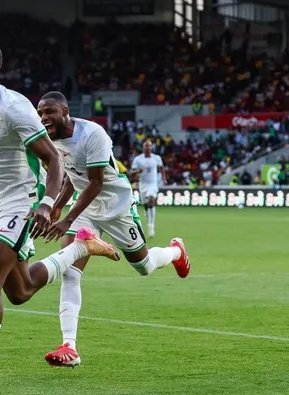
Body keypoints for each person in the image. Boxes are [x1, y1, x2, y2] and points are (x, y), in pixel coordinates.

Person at [0, 42, 119, 395]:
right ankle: (81, 248)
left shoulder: (15, 106)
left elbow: (53, 159)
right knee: (19, 291)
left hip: (23, 200)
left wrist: (46, 204)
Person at [37, 92, 191, 367]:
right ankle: (69, 347)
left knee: (143, 266)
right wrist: (58, 205)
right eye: (40, 113)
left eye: (49, 112)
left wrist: (67, 219)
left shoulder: (92, 134)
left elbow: (96, 183)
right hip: (85, 209)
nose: (44, 118)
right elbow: (74, 175)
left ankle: (175, 252)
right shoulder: (51, 140)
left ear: (65, 110)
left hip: (115, 206)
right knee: (71, 272)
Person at [130, 140, 164, 238]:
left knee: (151, 200)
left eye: (149, 146)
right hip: (143, 184)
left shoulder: (156, 158)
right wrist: (138, 171)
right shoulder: (138, 159)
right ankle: (148, 213)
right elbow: (132, 172)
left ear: (151, 147)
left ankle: (151, 225)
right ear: (143, 147)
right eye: (146, 146)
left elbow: (161, 167)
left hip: (153, 183)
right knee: (145, 204)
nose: (148, 148)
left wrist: (164, 177)